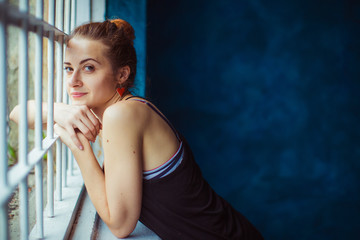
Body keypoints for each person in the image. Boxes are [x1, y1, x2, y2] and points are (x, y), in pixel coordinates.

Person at [10, 19, 263, 239]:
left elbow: (120, 225)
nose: (73, 80)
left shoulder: (123, 114)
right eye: (68, 68)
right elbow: (17, 114)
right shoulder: (119, 107)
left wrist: (78, 146)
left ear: (122, 74)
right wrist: (59, 110)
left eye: (88, 68)